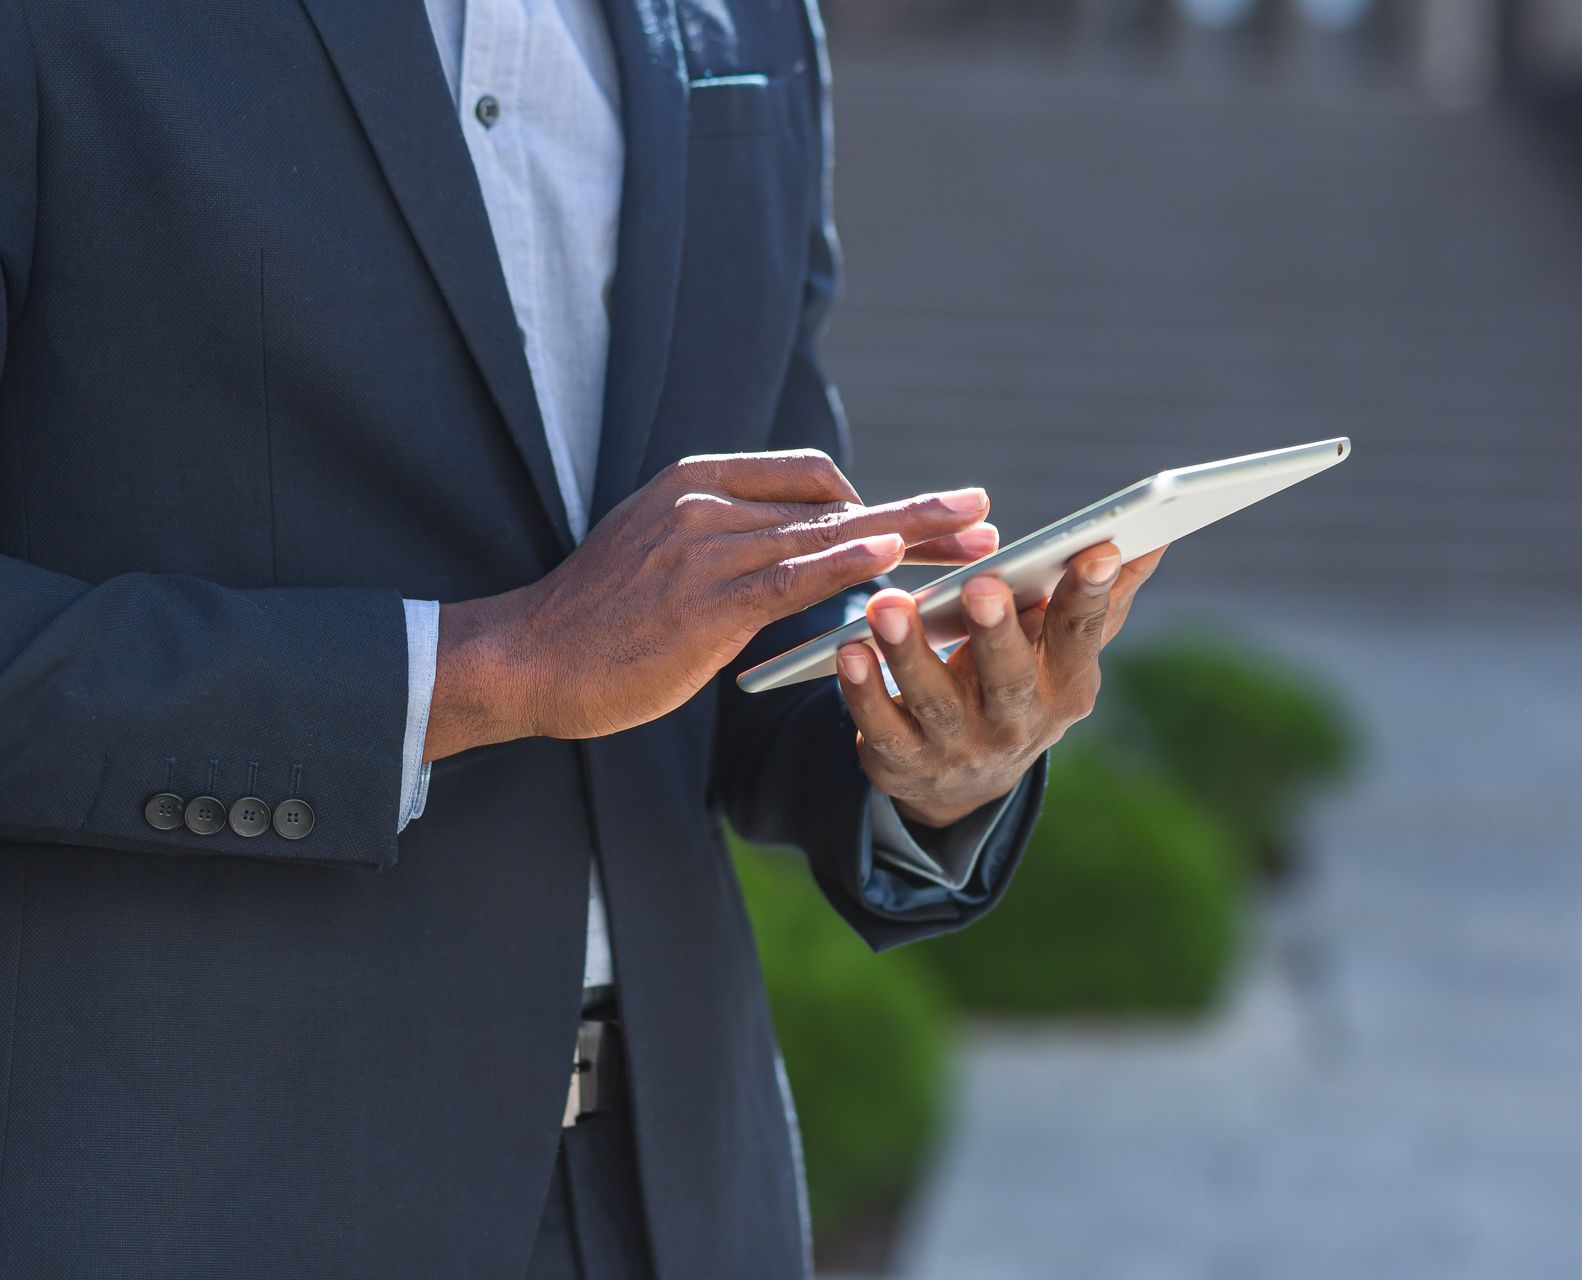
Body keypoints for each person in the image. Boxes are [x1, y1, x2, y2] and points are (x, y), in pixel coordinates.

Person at [0, 0, 1163, 1275]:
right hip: (206, 1195)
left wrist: (934, 746)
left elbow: (733, 607)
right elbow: (580, 643)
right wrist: (490, 666)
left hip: (678, 1195)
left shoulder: (751, 26)